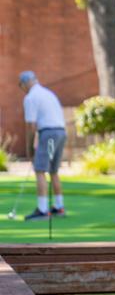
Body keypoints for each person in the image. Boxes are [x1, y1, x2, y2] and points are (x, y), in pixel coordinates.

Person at [18, 71, 67, 220]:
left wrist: (29, 149)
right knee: (53, 171)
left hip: (49, 134)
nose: (22, 89)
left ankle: (42, 209)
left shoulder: (30, 97)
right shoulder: (48, 93)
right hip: (61, 132)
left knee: (40, 170)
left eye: (21, 86)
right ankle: (59, 207)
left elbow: (31, 126)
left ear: (24, 83)